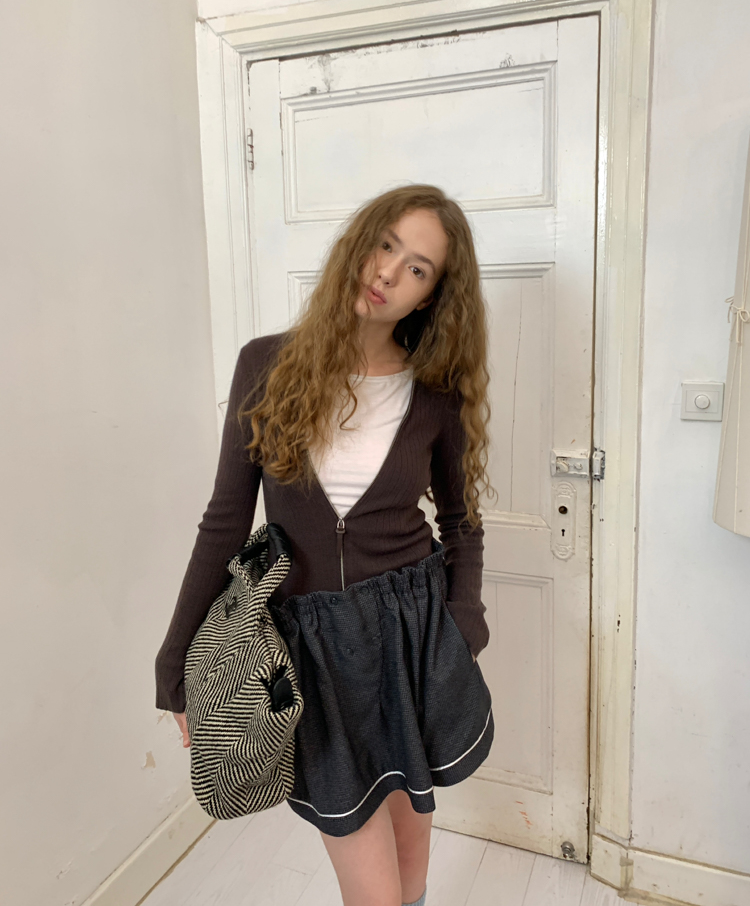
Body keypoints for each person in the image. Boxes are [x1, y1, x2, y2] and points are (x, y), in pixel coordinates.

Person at [155, 184, 495, 906]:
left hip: (411, 637)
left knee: (411, 862)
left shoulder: (435, 393)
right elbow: (225, 520)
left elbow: (461, 519)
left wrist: (463, 620)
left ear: (433, 295)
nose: (389, 272)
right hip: (313, 649)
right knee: (371, 884)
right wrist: (176, 652)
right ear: (359, 242)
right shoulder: (265, 365)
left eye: (418, 268)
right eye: (386, 245)